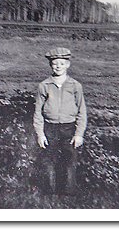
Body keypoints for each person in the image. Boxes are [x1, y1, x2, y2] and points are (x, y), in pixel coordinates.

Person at [33, 47, 87, 195]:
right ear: (50, 65)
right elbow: (38, 112)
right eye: (55, 63)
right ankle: (48, 192)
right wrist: (40, 134)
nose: (58, 67)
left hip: (69, 128)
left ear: (68, 65)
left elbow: (82, 111)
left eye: (62, 64)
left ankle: (68, 192)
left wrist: (79, 134)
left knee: (68, 160)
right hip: (50, 128)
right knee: (49, 160)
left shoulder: (75, 86)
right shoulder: (44, 86)